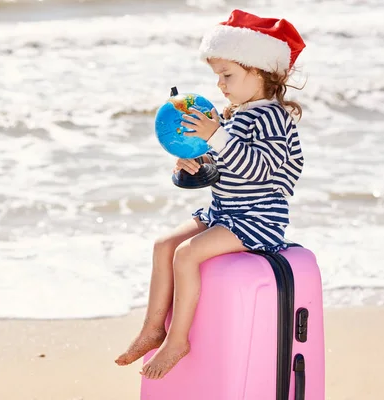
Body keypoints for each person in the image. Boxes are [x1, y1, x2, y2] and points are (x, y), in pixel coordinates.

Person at [114, 9, 307, 380]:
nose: (220, 84)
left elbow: (257, 169)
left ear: (262, 72)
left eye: (227, 74)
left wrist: (216, 136)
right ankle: (152, 328)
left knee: (187, 255)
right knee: (164, 245)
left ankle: (177, 340)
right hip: (225, 211)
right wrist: (193, 165)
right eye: (217, 75)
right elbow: (223, 168)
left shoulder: (272, 118)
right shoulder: (233, 116)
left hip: (258, 218)